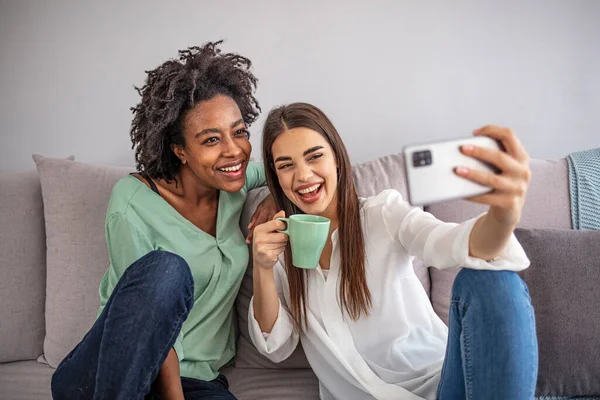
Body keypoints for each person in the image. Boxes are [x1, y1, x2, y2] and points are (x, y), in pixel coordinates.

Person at [249, 103, 538, 400]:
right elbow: (276, 345)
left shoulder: (382, 214)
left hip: (443, 387)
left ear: (336, 157)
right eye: (286, 165)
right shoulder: (280, 247)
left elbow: (449, 241)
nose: (303, 175)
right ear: (276, 176)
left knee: (490, 282)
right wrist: (262, 267)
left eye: (314, 156)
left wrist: (504, 216)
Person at [51, 41, 276, 400]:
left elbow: (290, 172)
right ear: (180, 150)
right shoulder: (132, 201)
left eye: (240, 132)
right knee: (167, 270)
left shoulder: (233, 181)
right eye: (211, 140)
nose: (234, 150)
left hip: (201, 382)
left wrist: (276, 197)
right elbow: (149, 320)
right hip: (112, 372)